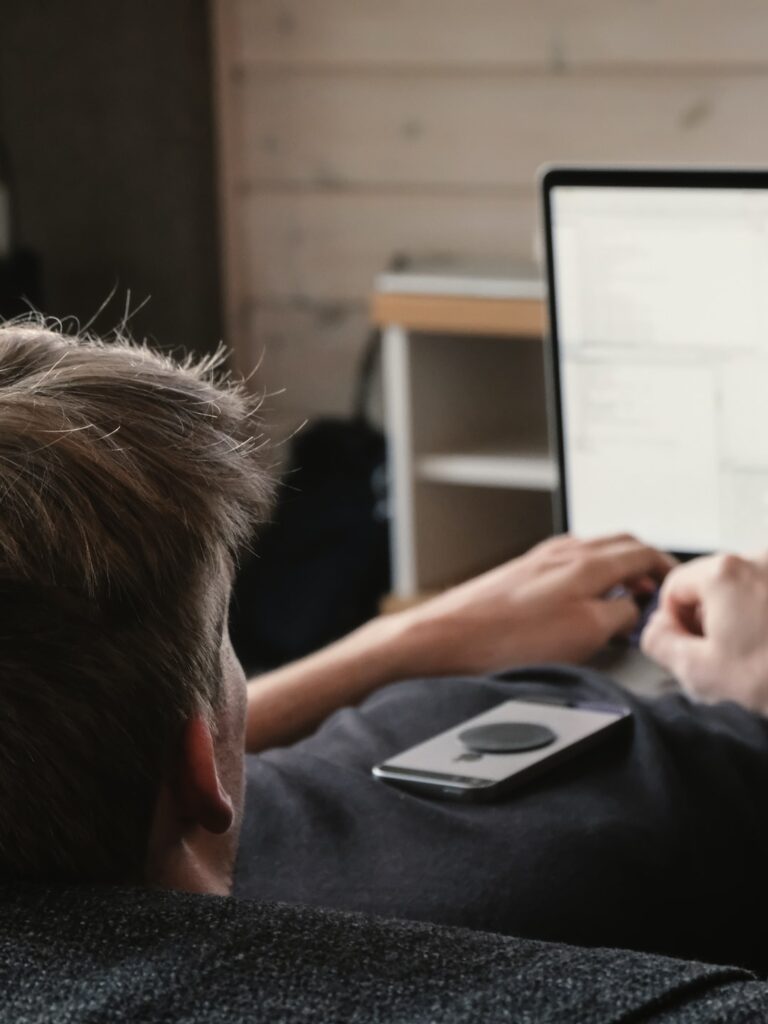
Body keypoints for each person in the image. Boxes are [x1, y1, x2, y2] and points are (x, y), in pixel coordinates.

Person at [2, 320, 768, 971]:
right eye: (222, 639)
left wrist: (403, 643)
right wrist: (750, 695)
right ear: (200, 773)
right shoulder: (570, 879)